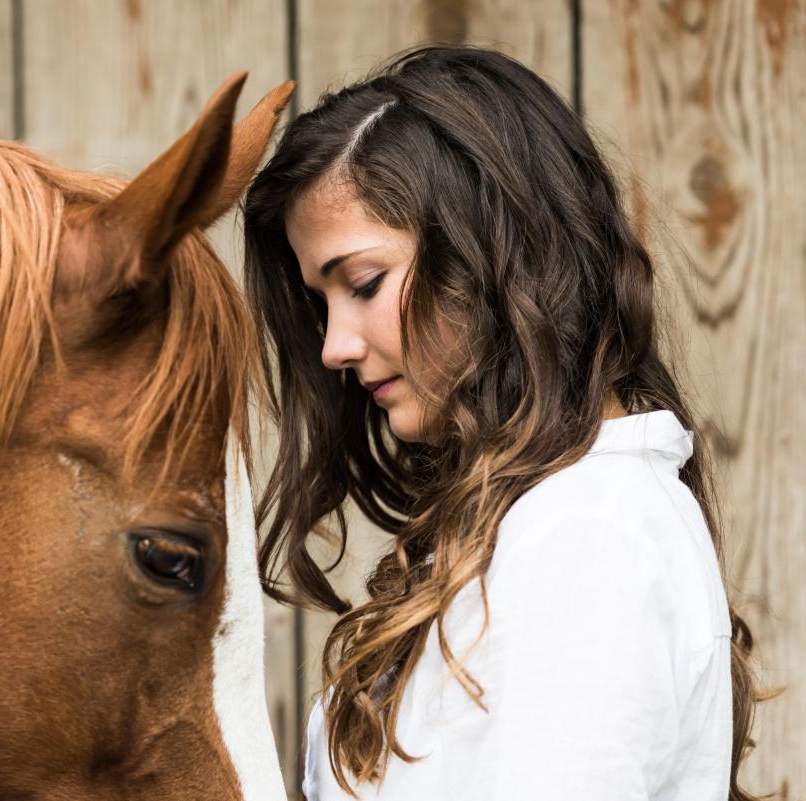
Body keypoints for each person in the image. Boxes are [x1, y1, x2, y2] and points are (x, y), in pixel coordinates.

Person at [241, 45, 773, 801]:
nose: (333, 346)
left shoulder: (590, 532)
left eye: (362, 283)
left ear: (490, 252)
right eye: (323, 303)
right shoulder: (545, 525)